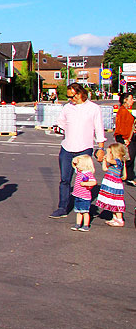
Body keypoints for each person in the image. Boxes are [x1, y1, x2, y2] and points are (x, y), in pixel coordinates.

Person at [50, 83, 105, 219]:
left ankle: (84, 206)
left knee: (84, 179)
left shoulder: (93, 108)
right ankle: (62, 207)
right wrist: (57, 127)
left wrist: (101, 148)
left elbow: (99, 128)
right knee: (65, 180)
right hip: (67, 148)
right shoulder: (67, 108)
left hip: (84, 148)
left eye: (71, 96)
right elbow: (61, 122)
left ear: (80, 94)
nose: (70, 99)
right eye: (68, 96)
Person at [94, 142, 128, 227]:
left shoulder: (118, 161)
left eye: (110, 152)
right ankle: (114, 217)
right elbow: (105, 168)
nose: (109, 154)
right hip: (109, 183)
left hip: (115, 184)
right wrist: (104, 160)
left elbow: (110, 160)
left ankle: (119, 219)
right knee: (111, 200)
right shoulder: (113, 163)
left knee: (116, 201)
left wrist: (107, 154)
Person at [70, 155, 98, 232]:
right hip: (77, 195)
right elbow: (74, 164)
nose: (77, 166)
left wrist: (85, 184)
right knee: (78, 211)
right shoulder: (79, 172)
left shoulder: (88, 173)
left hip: (84, 196)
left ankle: (86, 225)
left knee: (85, 212)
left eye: (79, 164)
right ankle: (78, 224)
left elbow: (94, 182)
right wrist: (75, 161)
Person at [113, 92, 135, 182]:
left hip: (129, 138)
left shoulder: (126, 110)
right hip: (127, 139)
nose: (132, 101)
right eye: (131, 99)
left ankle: (128, 176)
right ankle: (126, 176)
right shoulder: (122, 111)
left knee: (130, 158)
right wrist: (123, 138)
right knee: (128, 158)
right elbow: (121, 126)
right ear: (125, 100)